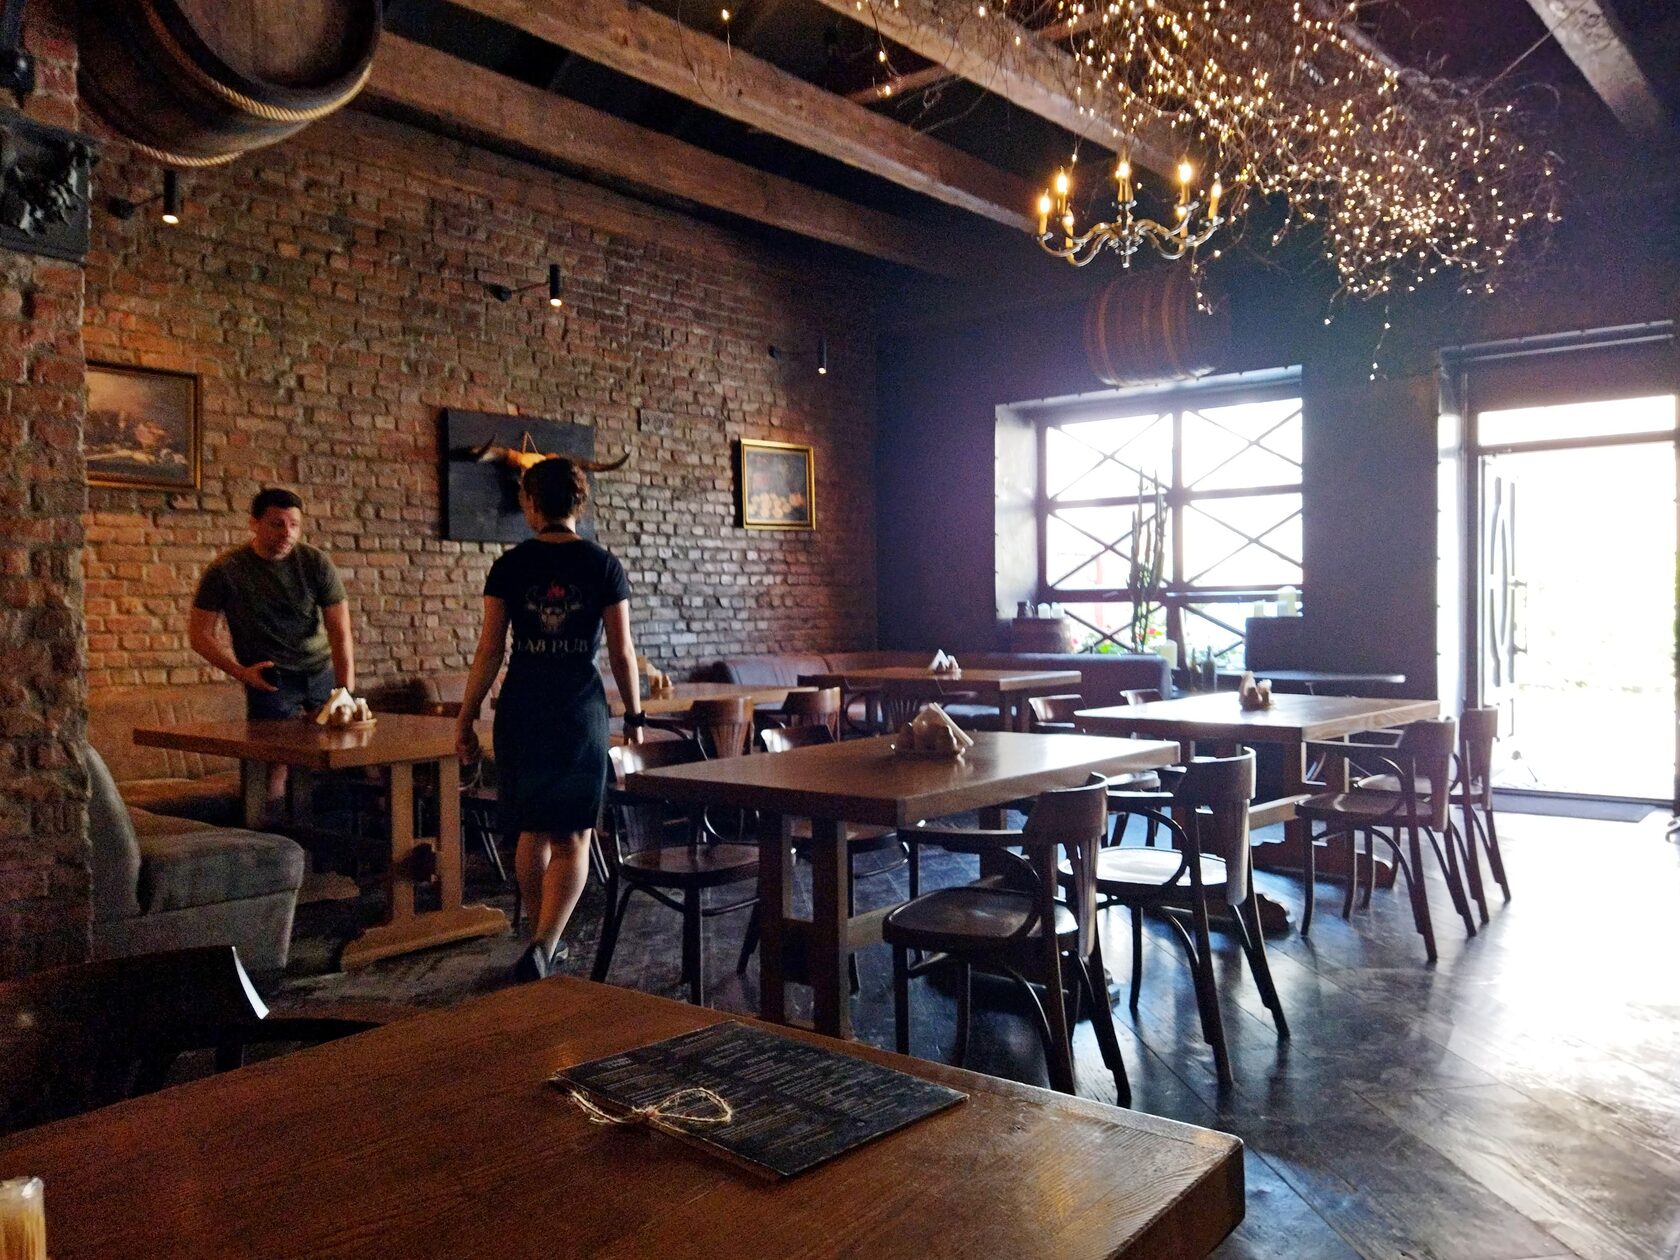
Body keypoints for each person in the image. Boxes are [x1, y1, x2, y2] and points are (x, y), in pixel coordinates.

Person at [455, 458, 645, 982]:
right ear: (580, 502)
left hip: (522, 708)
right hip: (578, 710)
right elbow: (622, 652)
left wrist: (466, 716)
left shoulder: (509, 566)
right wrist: (635, 714)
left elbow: (489, 650)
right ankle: (546, 942)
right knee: (573, 836)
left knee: (531, 829)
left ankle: (538, 941)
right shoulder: (604, 566)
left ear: (529, 503)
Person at [188, 487, 355, 811]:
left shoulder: (315, 563)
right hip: (269, 678)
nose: (287, 533)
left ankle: (328, 835)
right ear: (254, 523)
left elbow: (341, 632)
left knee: (341, 757)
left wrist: (345, 691)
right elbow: (200, 635)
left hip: (319, 671)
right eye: (277, 524)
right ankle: (269, 833)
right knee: (271, 766)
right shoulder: (226, 570)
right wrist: (241, 673)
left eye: (294, 525)